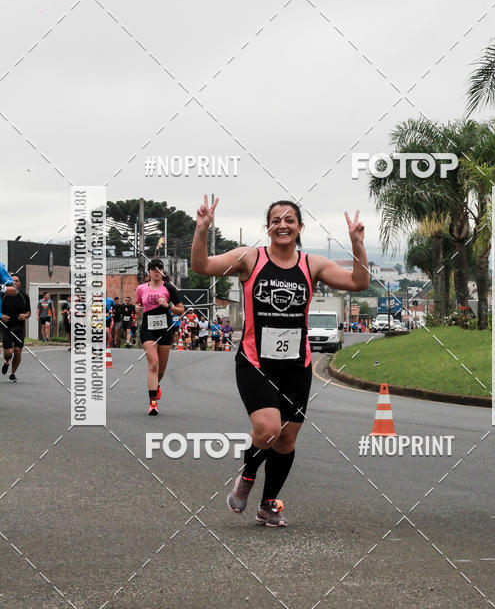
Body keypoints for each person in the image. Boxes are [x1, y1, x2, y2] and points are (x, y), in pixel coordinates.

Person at [191, 196, 368, 527]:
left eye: (290, 220)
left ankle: (268, 504)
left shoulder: (311, 264)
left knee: (286, 438)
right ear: (268, 227)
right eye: (276, 220)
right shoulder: (249, 258)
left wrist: (358, 244)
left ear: (300, 227)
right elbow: (201, 266)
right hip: (256, 361)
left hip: (296, 365)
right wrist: (202, 230)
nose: (283, 224)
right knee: (268, 429)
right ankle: (248, 474)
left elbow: (359, 282)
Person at [135, 259, 184, 415]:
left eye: (159, 269)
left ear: (163, 272)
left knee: (161, 370)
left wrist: (168, 306)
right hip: (148, 329)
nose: (156, 271)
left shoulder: (169, 288)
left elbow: (181, 310)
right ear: (149, 273)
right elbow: (138, 305)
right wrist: (137, 308)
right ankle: (153, 403)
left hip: (165, 329)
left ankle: (156, 386)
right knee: (153, 364)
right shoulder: (141, 288)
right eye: (153, 269)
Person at [2, 274, 31, 381]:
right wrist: (2, 316)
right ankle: (6, 362)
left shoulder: (24, 296)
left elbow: (29, 312)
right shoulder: (3, 295)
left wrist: (25, 315)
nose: (15, 283)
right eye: (12, 281)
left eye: (17, 281)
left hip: (19, 326)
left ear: (20, 283)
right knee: (9, 352)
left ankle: (12, 373)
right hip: (6, 326)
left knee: (18, 351)